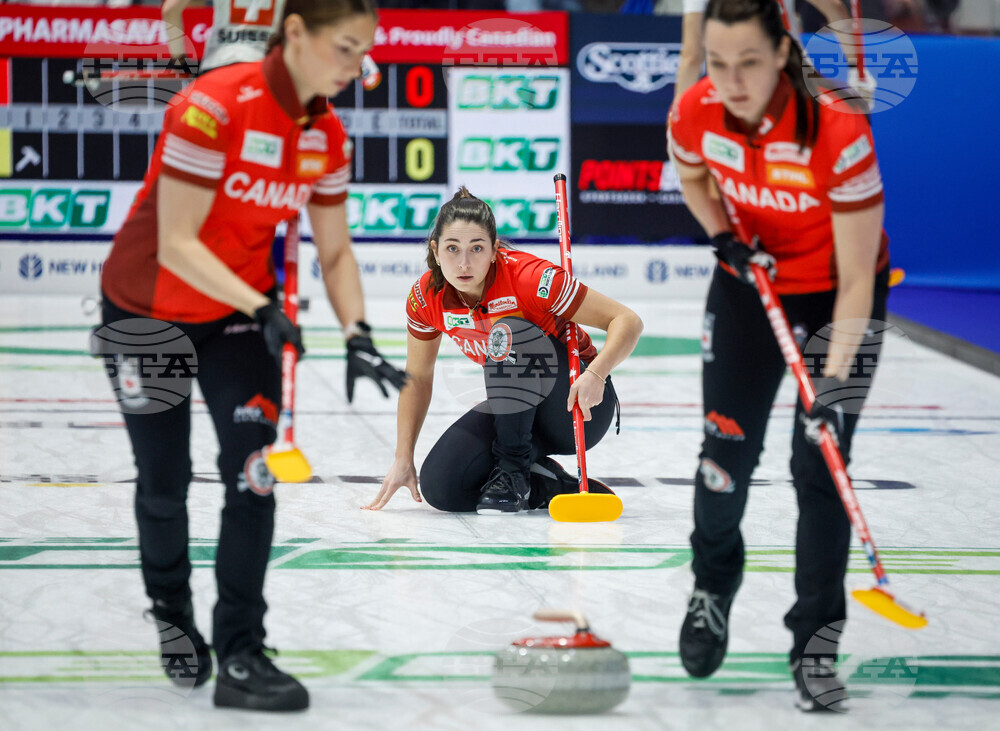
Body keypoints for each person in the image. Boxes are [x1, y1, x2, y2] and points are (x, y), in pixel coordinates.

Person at [99, 0, 405, 712]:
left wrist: (358, 332)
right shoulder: (211, 107)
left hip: (236, 314)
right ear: (295, 34)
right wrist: (266, 305)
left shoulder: (326, 133)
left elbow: (335, 250)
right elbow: (177, 242)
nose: (360, 70)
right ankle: (173, 613)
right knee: (164, 480)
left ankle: (240, 649)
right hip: (146, 311)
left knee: (254, 473)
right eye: (349, 50)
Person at [667, 0, 890, 712]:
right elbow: (692, 175)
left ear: (783, 52)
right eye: (719, 63)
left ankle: (815, 643)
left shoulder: (837, 128)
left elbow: (859, 277)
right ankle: (713, 583)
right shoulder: (696, 111)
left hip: (838, 301)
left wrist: (831, 382)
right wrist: (720, 238)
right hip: (748, 284)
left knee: (818, 463)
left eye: (750, 64)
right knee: (724, 453)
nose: (732, 81)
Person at [364, 188, 643, 515]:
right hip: (516, 411)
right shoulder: (427, 297)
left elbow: (627, 320)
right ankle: (546, 484)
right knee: (442, 487)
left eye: (477, 249)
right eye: (453, 249)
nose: (464, 263)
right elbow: (418, 377)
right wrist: (402, 457)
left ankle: (513, 473)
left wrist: (596, 374)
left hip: (576, 406)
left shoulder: (530, 278)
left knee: (507, 330)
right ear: (435, 251)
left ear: (495, 251)